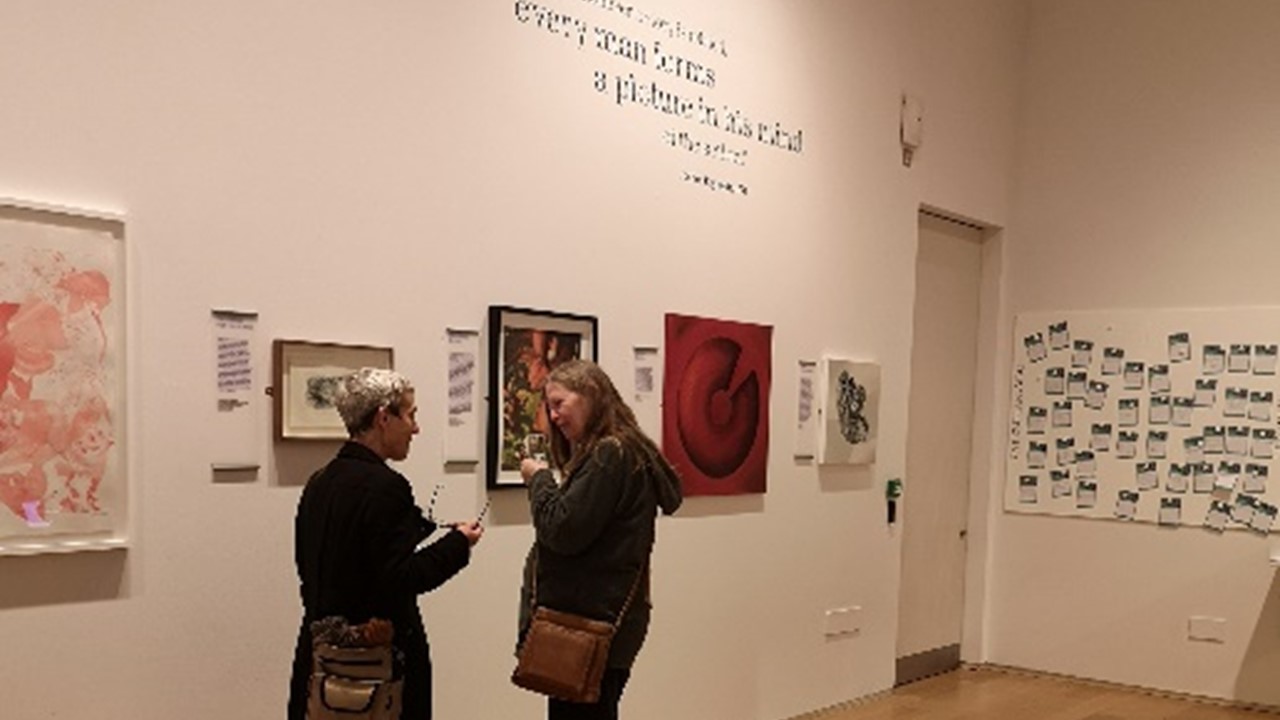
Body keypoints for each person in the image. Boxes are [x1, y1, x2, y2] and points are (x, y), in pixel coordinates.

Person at [289, 368, 483, 720]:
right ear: (383, 418)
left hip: (320, 659)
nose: (415, 428)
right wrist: (458, 544)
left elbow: (338, 560)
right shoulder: (385, 486)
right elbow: (401, 578)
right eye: (410, 415)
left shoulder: (320, 482)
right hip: (375, 666)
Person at [518, 359, 682, 720]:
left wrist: (540, 479)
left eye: (559, 403)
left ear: (590, 396)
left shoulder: (610, 454)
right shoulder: (620, 452)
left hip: (589, 628)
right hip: (594, 625)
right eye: (549, 406)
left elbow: (562, 530)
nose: (554, 416)